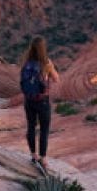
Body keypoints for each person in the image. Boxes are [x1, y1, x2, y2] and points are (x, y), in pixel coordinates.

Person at [19, 36, 60, 169]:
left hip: (29, 100)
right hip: (42, 101)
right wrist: (50, 68)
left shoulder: (26, 62)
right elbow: (56, 79)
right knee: (44, 129)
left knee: (31, 127)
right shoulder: (46, 63)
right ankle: (43, 158)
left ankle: (33, 154)